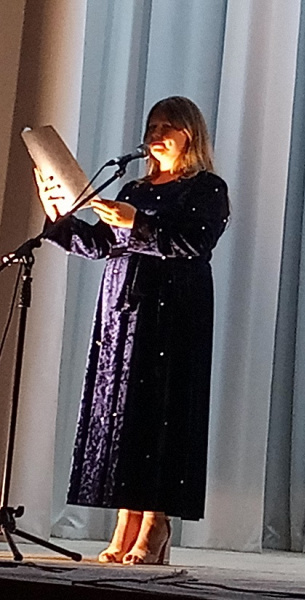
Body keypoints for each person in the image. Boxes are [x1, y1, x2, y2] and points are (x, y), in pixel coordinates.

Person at [36, 96, 230, 564]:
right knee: (124, 413)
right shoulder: (134, 188)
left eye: (167, 126)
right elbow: (100, 245)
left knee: (160, 412)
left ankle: (155, 522)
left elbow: (194, 243)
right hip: (123, 310)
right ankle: (126, 519)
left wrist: (137, 223)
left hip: (174, 310)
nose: (155, 134)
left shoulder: (207, 188)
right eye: (152, 126)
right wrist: (59, 217)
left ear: (189, 134)